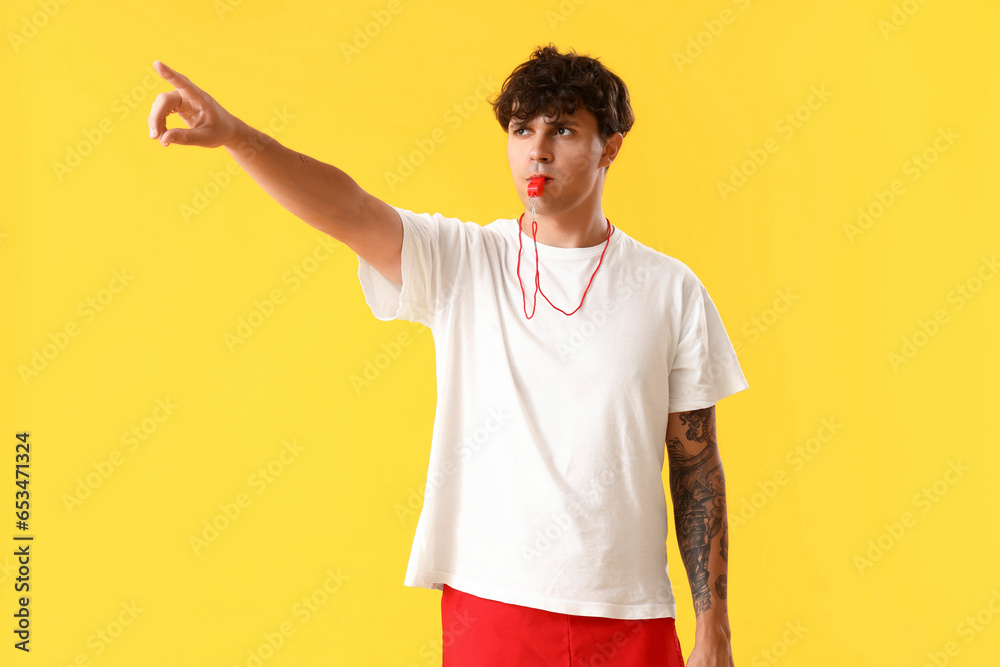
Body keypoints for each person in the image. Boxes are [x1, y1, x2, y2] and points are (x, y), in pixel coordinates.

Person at [147, 43, 748, 667]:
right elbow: (347, 207)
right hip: (492, 606)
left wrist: (716, 630)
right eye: (522, 130)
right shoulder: (464, 260)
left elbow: (695, 466)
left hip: (630, 615)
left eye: (563, 129)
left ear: (611, 147)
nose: (536, 151)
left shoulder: (671, 290)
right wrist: (238, 138)